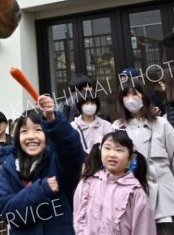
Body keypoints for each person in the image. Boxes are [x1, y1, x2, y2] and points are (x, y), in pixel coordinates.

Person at [0, 95, 86, 235]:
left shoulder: (59, 162)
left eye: (38, 130)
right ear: (18, 137)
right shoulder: (8, 168)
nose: (31, 136)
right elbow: (8, 213)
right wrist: (42, 190)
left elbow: (72, 149)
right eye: (24, 131)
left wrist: (52, 120)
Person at [112, 80, 174, 235]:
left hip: (164, 198)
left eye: (135, 93)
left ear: (143, 95)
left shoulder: (162, 124)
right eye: (125, 95)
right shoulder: (116, 127)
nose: (131, 99)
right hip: (131, 198)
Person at [73, 131, 156, 235]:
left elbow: (144, 230)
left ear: (130, 158)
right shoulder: (87, 183)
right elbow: (77, 220)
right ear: (100, 151)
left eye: (119, 150)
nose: (112, 154)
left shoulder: (135, 192)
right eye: (107, 148)